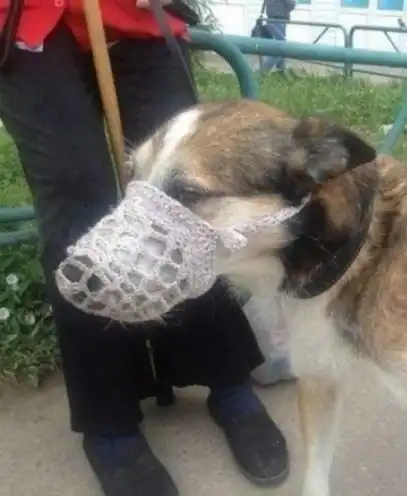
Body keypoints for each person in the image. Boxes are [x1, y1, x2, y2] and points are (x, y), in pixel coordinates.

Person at [0, 1, 289, 495]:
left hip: (134, 15)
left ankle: (226, 378)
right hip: (24, 21)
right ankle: (108, 421)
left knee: (185, 193)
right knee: (78, 203)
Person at [260, 0, 296, 74]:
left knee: (277, 46)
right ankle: (262, 72)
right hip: (279, 20)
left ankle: (280, 71)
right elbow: (291, 5)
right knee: (280, 48)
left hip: (271, 19)